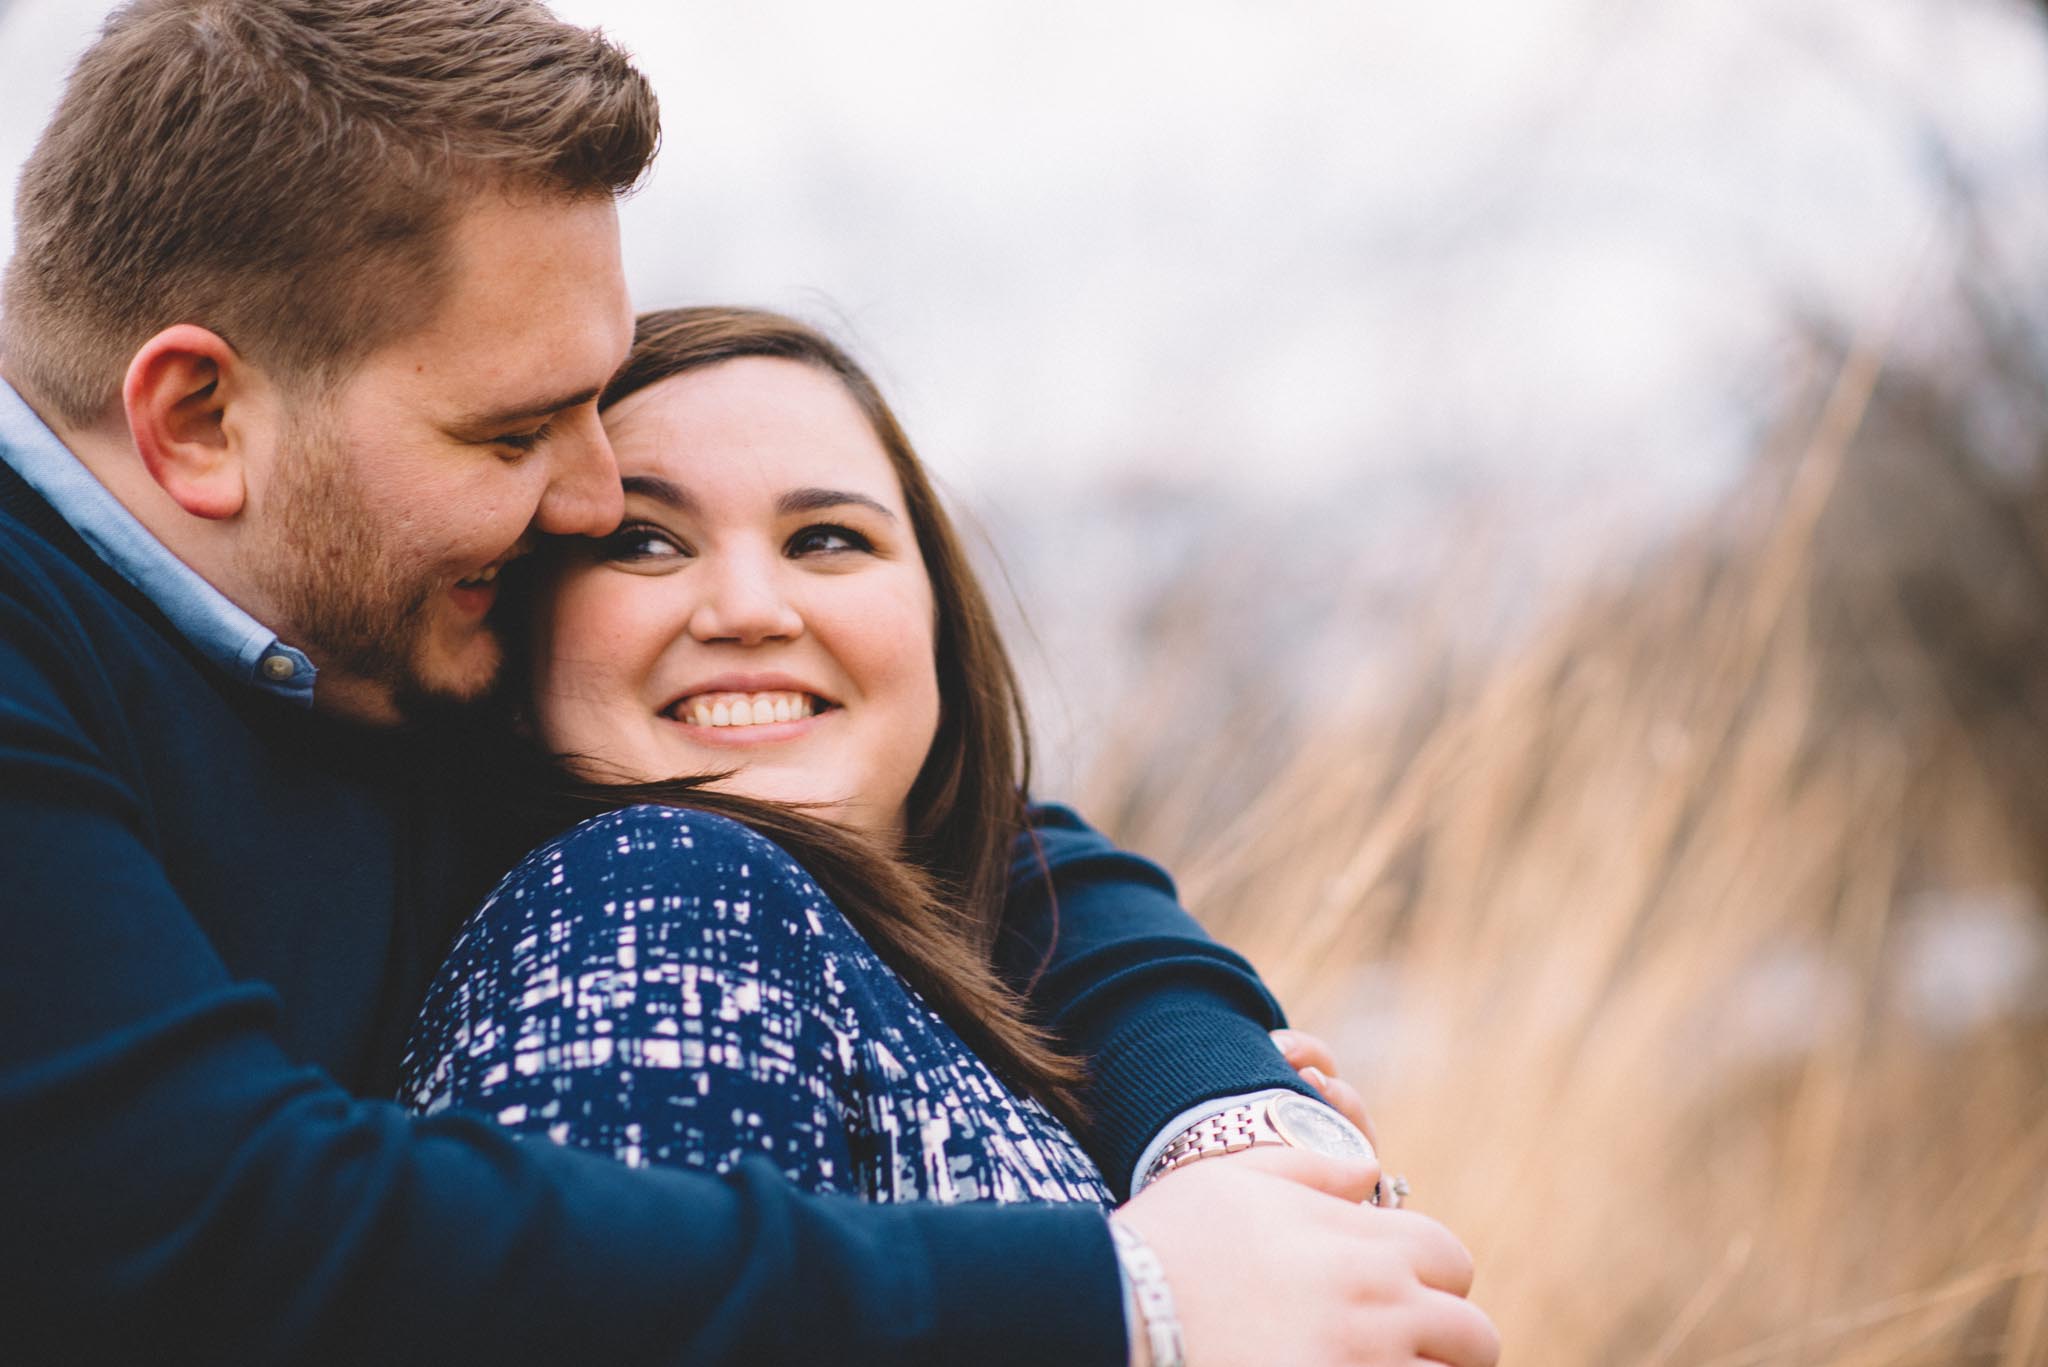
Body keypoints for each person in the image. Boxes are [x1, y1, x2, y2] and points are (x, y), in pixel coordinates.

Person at [0, 2, 1497, 1364]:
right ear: (196, 417)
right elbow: (204, 1223)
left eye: (592, 408)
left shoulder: (366, 646)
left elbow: (991, 842)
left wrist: (1217, 1109)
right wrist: (1136, 1295)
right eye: (515, 433)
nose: (586, 499)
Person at [402, 306, 1499, 1364]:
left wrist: (1218, 1125)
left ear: (936, 618)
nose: (749, 606)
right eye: (644, 540)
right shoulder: (653, 887)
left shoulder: (941, 956)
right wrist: (1156, 1307)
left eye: (825, 538)